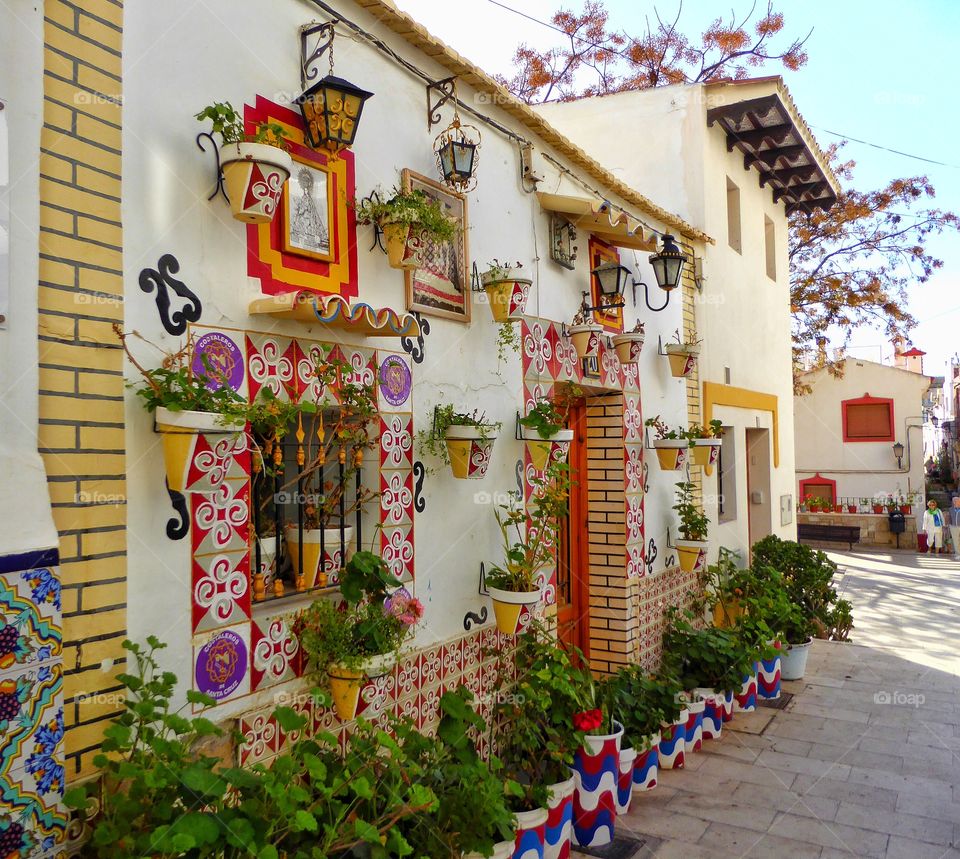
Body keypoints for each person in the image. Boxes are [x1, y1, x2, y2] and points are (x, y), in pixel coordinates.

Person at [950, 496, 960, 561]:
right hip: (953, 527)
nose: (955, 502)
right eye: (954, 501)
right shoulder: (950, 509)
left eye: (956, 501)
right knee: (956, 541)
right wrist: (950, 525)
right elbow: (950, 518)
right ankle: (958, 554)